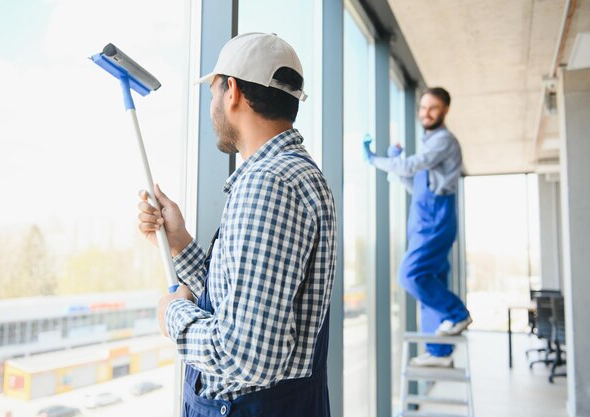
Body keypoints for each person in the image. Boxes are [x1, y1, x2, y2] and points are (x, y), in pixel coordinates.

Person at [138, 33, 336, 417]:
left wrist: (171, 316)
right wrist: (179, 242)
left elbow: (244, 356)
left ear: (232, 91)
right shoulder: (296, 174)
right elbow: (244, 297)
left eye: (213, 92)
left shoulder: (269, 184)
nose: (212, 105)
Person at [363, 87, 472, 367]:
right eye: (423, 108)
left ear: (445, 110)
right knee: (429, 281)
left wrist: (378, 160)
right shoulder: (429, 143)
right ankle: (439, 352)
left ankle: (458, 314)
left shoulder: (443, 141)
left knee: (410, 276)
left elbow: (413, 166)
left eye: (433, 108)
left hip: (434, 219)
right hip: (423, 218)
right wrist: (396, 164)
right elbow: (414, 184)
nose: (426, 113)